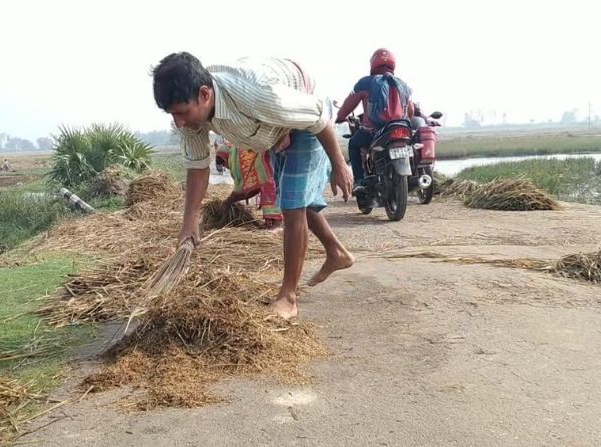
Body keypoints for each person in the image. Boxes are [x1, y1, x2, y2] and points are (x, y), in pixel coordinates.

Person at [152, 52, 354, 319]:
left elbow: (317, 117)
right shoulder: (192, 118)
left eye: (181, 113)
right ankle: (337, 252)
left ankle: (288, 298)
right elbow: (198, 167)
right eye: (172, 114)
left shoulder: (258, 95)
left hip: (303, 117)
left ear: (204, 94)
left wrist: (339, 164)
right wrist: (189, 222)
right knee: (292, 198)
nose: (179, 122)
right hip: (271, 128)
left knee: (292, 207)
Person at [335, 48, 414, 192]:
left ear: (373, 64)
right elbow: (411, 111)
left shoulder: (365, 83)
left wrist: (340, 118)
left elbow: (348, 105)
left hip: (373, 132)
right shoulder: (403, 85)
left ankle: (359, 180)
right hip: (399, 128)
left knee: (353, 144)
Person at [215, 143, 282, 229]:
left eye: (225, 166)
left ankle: (276, 224)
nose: (227, 168)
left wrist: (228, 202)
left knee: (269, 187)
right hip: (273, 159)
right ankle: (272, 223)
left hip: (269, 168)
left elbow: (246, 190)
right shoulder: (238, 149)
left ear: (225, 159)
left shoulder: (236, 158)